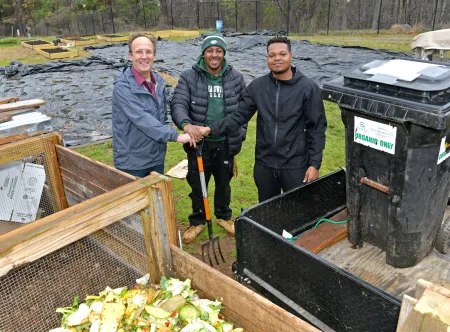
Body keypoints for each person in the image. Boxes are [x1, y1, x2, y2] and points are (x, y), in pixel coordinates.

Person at [200, 36, 327, 203]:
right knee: (268, 213)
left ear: (291, 55)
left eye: (282, 54)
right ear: (267, 58)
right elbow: (238, 116)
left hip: (295, 165)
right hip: (265, 164)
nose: (277, 59)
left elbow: (317, 128)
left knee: (299, 212)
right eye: (272, 55)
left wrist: (314, 164)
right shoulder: (258, 87)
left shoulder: (308, 88)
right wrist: (209, 129)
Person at [171, 34, 247, 243]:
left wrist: (240, 134)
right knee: (197, 183)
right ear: (203, 53)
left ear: (224, 53)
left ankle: (224, 216)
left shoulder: (236, 79)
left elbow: (245, 110)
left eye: (218, 51)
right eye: (210, 51)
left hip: (225, 142)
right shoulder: (189, 77)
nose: (214, 55)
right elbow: (178, 104)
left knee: (224, 182)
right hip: (199, 145)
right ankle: (198, 221)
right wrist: (187, 126)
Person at [112, 33, 194, 178]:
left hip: (156, 158)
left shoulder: (159, 82)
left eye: (148, 52)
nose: (144, 56)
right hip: (132, 163)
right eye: (139, 52)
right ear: (130, 56)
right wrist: (177, 136)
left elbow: (172, 104)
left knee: (157, 199)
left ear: (154, 55)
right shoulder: (123, 87)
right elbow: (143, 120)